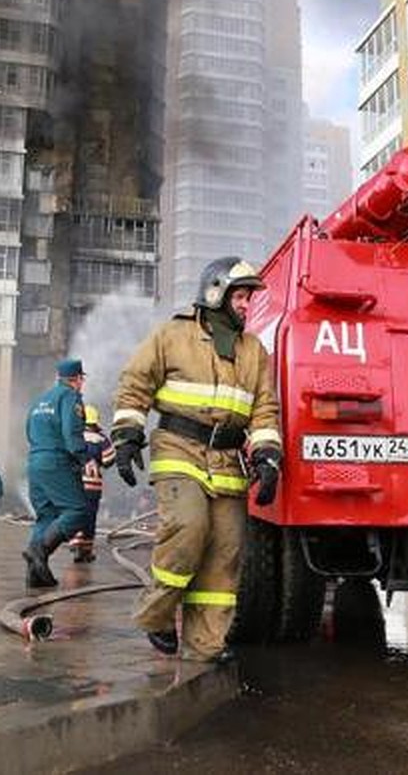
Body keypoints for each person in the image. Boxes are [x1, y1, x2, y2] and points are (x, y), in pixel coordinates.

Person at [111, 257, 282, 664]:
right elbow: (135, 383)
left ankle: (204, 646)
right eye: (239, 296)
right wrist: (127, 434)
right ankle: (157, 615)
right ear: (215, 293)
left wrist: (268, 455)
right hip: (178, 449)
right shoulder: (172, 335)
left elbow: (264, 411)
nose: (245, 305)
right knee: (189, 526)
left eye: (248, 298)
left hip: (226, 461)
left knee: (225, 552)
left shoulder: (254, 351)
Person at [23, 359, 90, 588]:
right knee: (78, 510)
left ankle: (35, 575)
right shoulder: (70, 397)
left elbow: (28, 432)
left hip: (35, 462)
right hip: (56, 461)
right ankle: (38, 550)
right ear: (77, 379)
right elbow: (71, 432)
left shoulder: (39, 400)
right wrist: (83, 458)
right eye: (82, 379)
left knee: (46, 515)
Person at [70, 405, 116, 563]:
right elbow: (109, 460)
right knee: (89, 517)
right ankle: (86, 551)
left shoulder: (73, 437)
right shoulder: (101, 439)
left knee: (74, 514)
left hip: (74, 483)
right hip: (92, 485)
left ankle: (76, 545)